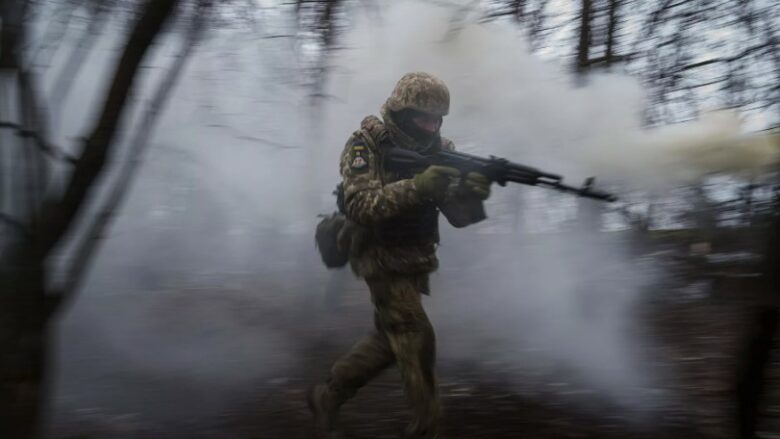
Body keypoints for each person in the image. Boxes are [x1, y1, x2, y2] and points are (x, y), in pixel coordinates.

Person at [308, 72, 491, 439]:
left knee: (390, 341)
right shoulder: (366, 145)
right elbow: (360, 205)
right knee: (415, 335)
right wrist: (418, 186)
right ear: (403, 113)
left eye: (439, 119)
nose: (433, 126)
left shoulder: (443, 149)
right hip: (377, 252)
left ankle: (328, 395)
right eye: (425, 118)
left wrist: (472, 195)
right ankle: (427, 426)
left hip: (415, 256)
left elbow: (458, 218)